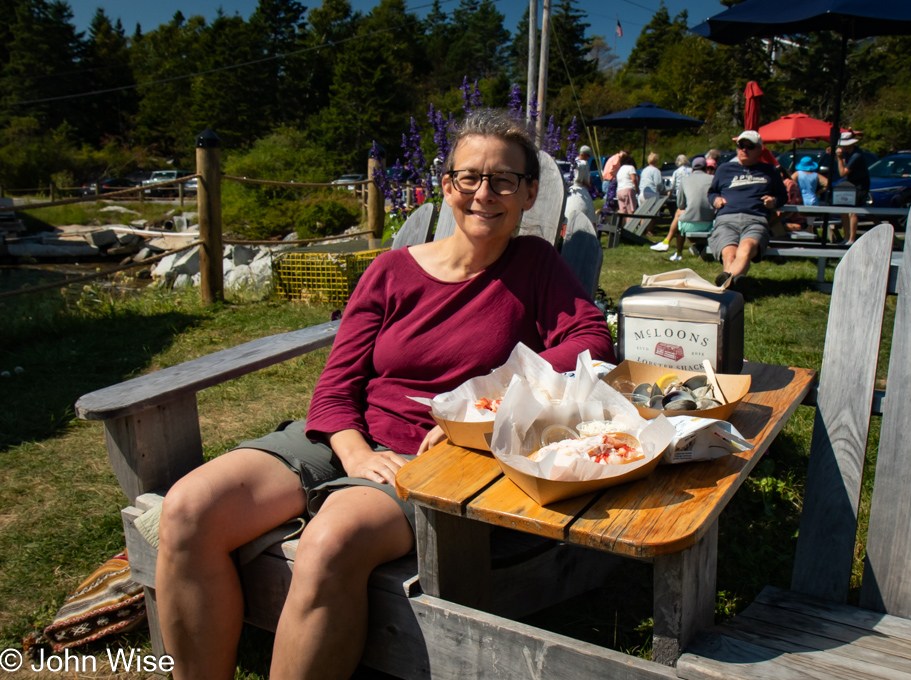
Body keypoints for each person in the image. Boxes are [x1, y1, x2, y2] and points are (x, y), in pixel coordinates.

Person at [154, 109, 616, 680]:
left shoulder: (535, 264)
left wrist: (481, 402)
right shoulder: (392, 270)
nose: (484, 194)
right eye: (469, 177)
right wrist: (356, 454)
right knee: (187, 510)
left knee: (331, 540)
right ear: (447, 186)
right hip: (345, 436)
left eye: (503, 180)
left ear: (529, 193)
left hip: (438, 456)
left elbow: (593, 338)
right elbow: (334, 388)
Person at [707, 130, 787, 288]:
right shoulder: (724, 169)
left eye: (749, 146)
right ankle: (734, 284)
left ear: (759, 150)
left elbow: (783, 196)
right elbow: (712, 192)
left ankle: (725, 287)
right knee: (729, 254)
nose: (744, 149)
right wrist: (715, 200)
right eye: (741, 145)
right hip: (726, 218)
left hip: (755, 219)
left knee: (746, 248)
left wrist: (774, 201)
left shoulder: (771, 171)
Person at [666, 156, 717, 261]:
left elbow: (680, 204)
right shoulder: (713, 179)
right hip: (710, 223)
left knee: (679, 216)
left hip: (689, 224)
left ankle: (678, 252)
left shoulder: (685, 181)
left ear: (692, 169)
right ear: (706, 168)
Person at [835, 131, 870, 246]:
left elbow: (842, 172)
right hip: (851, 184)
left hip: (860, 184)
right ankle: (846, 237)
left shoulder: (856, 155)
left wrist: (839, 159)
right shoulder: (849, 153)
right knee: (844, 210)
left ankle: (852, 239)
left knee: (852, 212)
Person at [564, 145, 596, 225]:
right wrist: (587, 183)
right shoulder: (581, 163)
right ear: (584, 154)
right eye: (587, 156)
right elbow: (579, 178)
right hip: (581, 188)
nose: (588, 158)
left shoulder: (575, 162)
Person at [615, 153, 639, 224]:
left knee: (623, 212)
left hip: (619, 191)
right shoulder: (631, 167)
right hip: (628, 189)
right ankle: (629, 228)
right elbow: (634, 179)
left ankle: (621, 227)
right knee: (630, 211)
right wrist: (637, 188)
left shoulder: (619, 170)